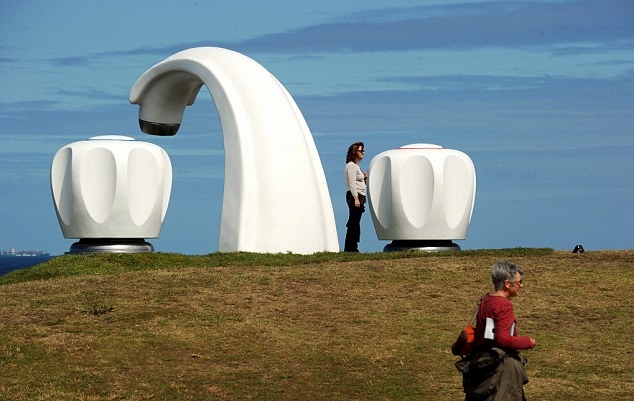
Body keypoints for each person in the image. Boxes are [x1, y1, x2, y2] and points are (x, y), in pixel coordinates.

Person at [459, 260, 537, 401]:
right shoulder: (503, 305)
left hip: (481, 366)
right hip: (501, 370)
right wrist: (527, 342)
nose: (521, 286)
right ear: (507, 284)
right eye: (519, 282)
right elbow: (503, 339)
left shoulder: (486, 301)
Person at [343, 142, 368, 252]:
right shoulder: (351, 166)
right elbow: (352, 183)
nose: (363, 152)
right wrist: (356, 198)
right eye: (360, 150)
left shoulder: (356, 167)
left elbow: (359, 184)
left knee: (355, 222)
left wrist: (364, 179)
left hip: (359, 196)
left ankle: (352, 247)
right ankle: (351, 248)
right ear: (354, 152)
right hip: (355, 196)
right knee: (353, 223)